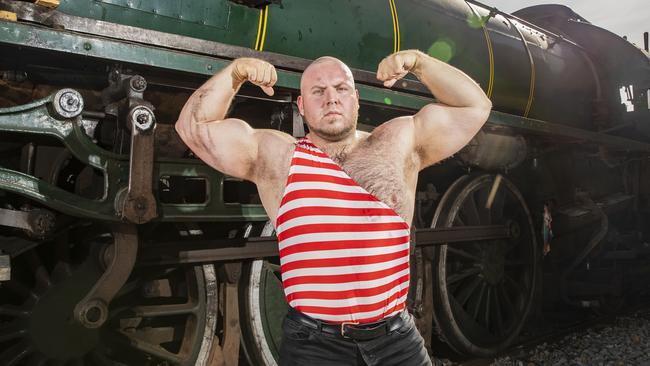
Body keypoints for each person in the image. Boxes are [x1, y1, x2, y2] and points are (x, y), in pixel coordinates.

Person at [175, 50, 491, 365]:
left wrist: (421, 63)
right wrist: (235, 73)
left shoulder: (398, 142)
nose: (331, 98)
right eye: (317, 91)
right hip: (314, 346)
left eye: (340, 89)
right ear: (301, 105)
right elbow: (192, 128)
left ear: (355, 98)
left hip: (396, 341)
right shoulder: (277, 156)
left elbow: (475, 107)